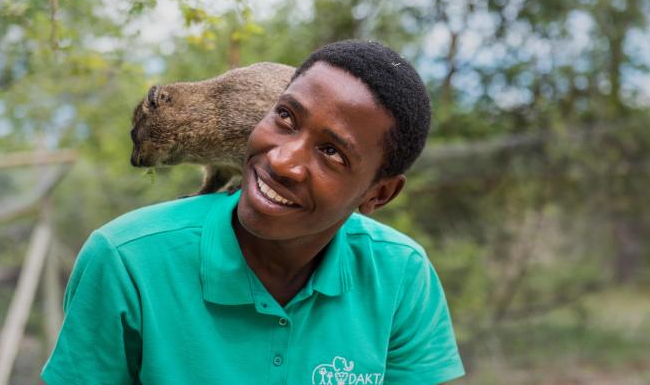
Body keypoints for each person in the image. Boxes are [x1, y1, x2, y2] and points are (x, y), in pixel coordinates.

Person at [41, 40, 465, 384]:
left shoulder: (402, 275)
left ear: (380, 194)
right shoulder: (126, 259)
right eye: (284, 116)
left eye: (331, 152)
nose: (282, 161)